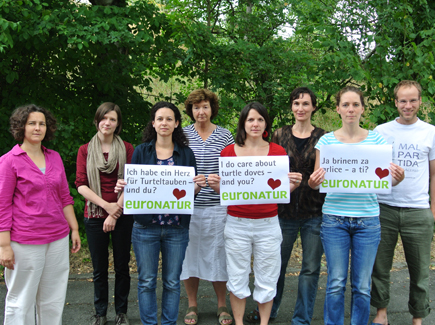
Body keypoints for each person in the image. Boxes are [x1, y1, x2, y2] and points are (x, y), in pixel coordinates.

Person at [308, 86, 404, 325]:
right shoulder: (326, 141)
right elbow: (316, 182)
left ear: (362, 108)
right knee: (335, 282)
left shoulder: (377, 139)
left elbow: (385, 179)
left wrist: (396, 178)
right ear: (338, 109)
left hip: (368, 220)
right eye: (345, 105)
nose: (350, 109)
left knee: (362, 285)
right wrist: (312, 182)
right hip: (334, 220)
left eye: (355, 105)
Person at [207, 102, 303, 325]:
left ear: (266, 123)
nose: (255, 124)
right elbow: (228, 191)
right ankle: (239, 323)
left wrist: (294, 186)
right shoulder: (228, 153)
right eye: (250, 119)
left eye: (260, 119)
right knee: (237, 276)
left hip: (268, 224)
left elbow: (278, 192)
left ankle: (263, 322)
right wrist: (215, 186)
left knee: (268, 277)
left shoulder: (277, 152)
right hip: (237, 223)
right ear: (243, 123)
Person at [115, 101, 206, 325]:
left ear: (176, 123)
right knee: (146, 281)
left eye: (169, 119)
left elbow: (188, 194)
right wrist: (122, 189)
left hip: (176, 228)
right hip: (146, 227)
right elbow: (133, 188)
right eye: (159, 119)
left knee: (172, 282)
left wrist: (198, 185)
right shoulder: (141, 151)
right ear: (153, 124)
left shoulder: (186, 153)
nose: (164, 123)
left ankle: (168, 323)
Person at [246, 87, 326, 324]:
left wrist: (316, 182)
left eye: (306, 104)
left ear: (313, 107)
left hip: (314, 212)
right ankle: (269, 311)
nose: (300, 108)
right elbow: (265, 168)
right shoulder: (279, 135)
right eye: (296, 103)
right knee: (275, 266)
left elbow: (328, 174)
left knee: (310, 269)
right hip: (283, 211)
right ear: (291, 106)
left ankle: (302, 317)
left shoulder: (324, 136)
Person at [0, 104, 81, 325]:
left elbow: (65, 196)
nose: (38, 128)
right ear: (21, 127)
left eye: (42, 124)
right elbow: (3, 205)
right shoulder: (10, 160)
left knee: (53, 299)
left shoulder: (54, 157)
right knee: (21, 299)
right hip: (25, 240)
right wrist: (4, 245)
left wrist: (74, 228)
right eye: (32, 123)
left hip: (57, 238)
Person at [370, 80, 435, 325]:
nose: (408, 105)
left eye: (413, 100)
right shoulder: (381, 131)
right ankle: (381, 314)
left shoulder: (430, 132)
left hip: (418, 210)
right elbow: (371, 168)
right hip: (384, 208)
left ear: (420, 102)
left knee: (420, 271)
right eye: (403, 101)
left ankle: (418, 317)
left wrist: (432, 211)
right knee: (380, 267)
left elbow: (434, 174)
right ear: (395, 102)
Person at [75, 102, 134, 325]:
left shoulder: (127, 148)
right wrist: (106, 207)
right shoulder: (85, 150)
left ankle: (121, 312)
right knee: (99, 268)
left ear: (118, 124)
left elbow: (133, 182)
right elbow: (81, 184)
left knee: (122, 266)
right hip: (94, 215)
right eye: (104, 118)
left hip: (122, 214)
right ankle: (100, 313)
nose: (107, 122)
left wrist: (115, 211)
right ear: (97, 120)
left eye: (112, 119)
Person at [180, 89, 235, 325]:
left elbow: (233, 169)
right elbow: (174, 166)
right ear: (190, 111)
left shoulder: (224, 135)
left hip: (217, 207)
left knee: (218, 257)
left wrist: (220, 184)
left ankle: (222, 305)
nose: (200, 111)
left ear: (212, 108)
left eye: (204, 106)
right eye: (195, 107)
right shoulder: (181, 135)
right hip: (188, 207)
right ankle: (192, 305)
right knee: (188, 258)